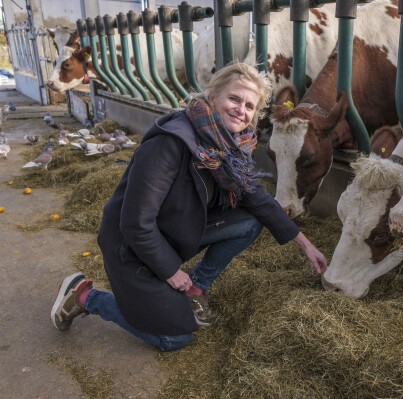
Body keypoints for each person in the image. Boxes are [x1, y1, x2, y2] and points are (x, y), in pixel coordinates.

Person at [50, 62, 328, 352]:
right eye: (234, 99)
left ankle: (195, 288)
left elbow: (254, 196)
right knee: (174, 338)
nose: (240, 109)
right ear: (212, 97)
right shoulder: (171, 142)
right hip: (131, 247)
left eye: (249, 105)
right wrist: (172, 272)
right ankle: (85, 297)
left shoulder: (229, 146)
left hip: (173, 230)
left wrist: (305, 244)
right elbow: (135, 223)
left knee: (249, 221)